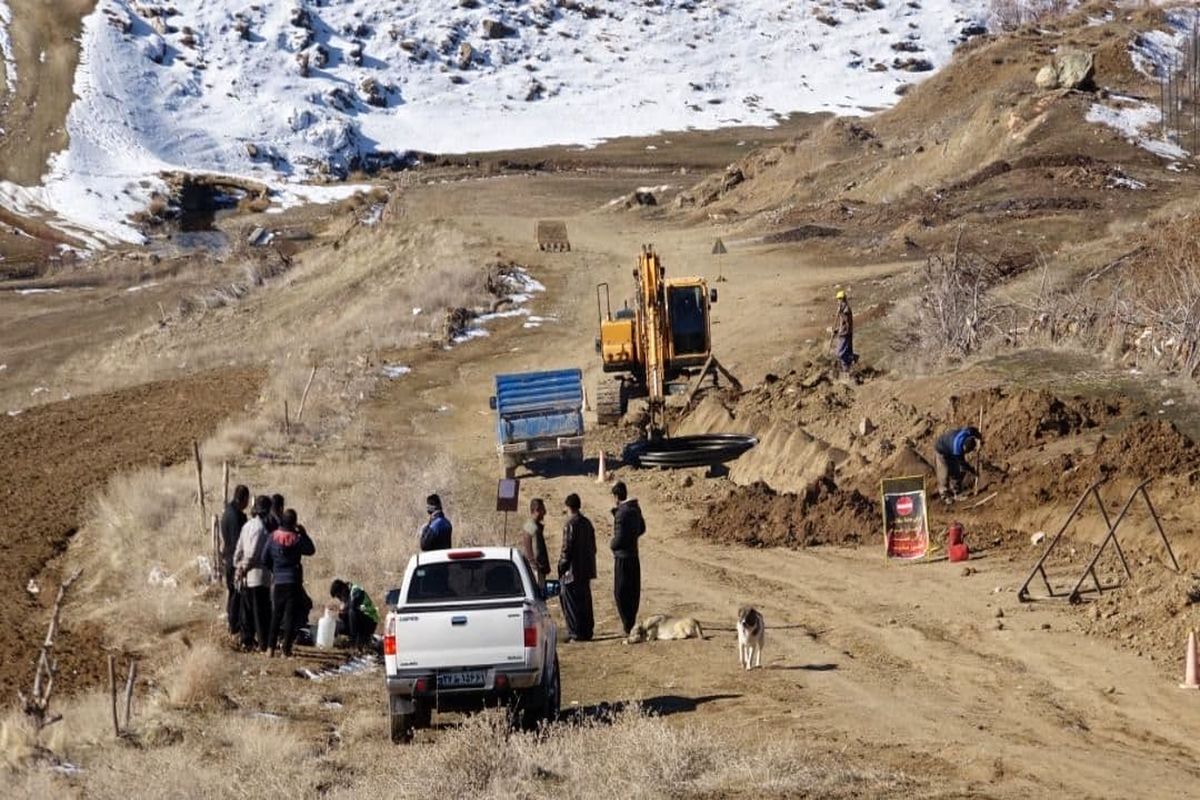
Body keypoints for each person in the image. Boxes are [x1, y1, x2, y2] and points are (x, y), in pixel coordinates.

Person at [262, 508, 316, 657]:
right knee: (290, 616)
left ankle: (270, 648)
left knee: (276, 615)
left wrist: (274, 570)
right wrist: (303, 533)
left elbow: (264, 558)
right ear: (294, 523)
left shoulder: (273, 537)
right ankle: (286, 649)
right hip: (293, 582)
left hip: (278, 581)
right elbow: (311, 550)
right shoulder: (297, 538)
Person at [234, 495, 273, 651]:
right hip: (257, 575)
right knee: (260, 613)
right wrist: (243, 567)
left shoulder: (247, 525)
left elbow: (239, 548)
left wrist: (237, 565)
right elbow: (253, 553)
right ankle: (262, 644)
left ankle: (247, 641)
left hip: (246, 576)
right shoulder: (260, 528)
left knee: (248, 611)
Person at [558, 493, 596, 642]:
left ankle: (575, 633)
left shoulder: (570, 525)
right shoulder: (587, 523)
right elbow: (593, 547)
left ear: (568, 507)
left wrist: (561, 566)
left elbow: (566, 550)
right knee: (585, 602)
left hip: (572, 572)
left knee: (572, 604)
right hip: (586, 570)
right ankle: (587, 631)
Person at [609, 481, 646, 636]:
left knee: (621, 592)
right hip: (634, 555)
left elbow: (618, 540)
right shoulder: (635, 509)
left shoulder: (621, 513)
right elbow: (642, 528)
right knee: (633, 591)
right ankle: (631, 620)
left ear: (617, 496)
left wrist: (612, 544)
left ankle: (627, 624)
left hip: (622, 558)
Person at [220, 485, 250, 636]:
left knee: (233, 593)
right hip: (233, 559)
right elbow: (239, 541)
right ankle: (234, 627)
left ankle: (233, 625)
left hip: (229, 557)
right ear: (243, 499)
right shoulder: (235, 516)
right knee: (235, 595)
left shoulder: (229, 512)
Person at [934, 426, 983, 504]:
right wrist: (973, 471)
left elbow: (973, 430)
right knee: (943, 474)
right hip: (941, 450)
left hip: (950, 446)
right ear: (963, 447)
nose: (965, 453)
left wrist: (980, 438)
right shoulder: (957, 449)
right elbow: (963, 464)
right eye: (965, 451)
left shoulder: (968, 432)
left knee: (955, 472)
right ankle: (945, 495)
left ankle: (957, 493)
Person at [330, 579, 380, 650]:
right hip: (359, 622)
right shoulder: (347, 598)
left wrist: (343, 610)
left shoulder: (356, 589)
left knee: (352, 611)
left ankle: (355, 641)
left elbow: (352, 604)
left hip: (369, 621)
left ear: (343, 589)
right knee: (337, 624)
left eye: (339, 596)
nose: (340, 599)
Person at [521, 498, 551, 589]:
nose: (545, 512)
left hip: (530, 568)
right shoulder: (535, 528)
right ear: (537, 510)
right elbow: (538, 552)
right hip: (536, 570)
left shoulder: (528, 525)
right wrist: (544, 567)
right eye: (543, 509)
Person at [830, 289, 856, 374]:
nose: (838, 301)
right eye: (838, 299)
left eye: (840, 299)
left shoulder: (846, 310)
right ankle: (846, 372)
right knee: (844, 353)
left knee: (840, 354)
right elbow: (842, 324)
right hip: (843, 333)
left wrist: (840, 313)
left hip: (845, 334)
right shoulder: (843, 309)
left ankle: (852, 358)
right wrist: (836, 330)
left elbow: (847, 322)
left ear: (843, 299)